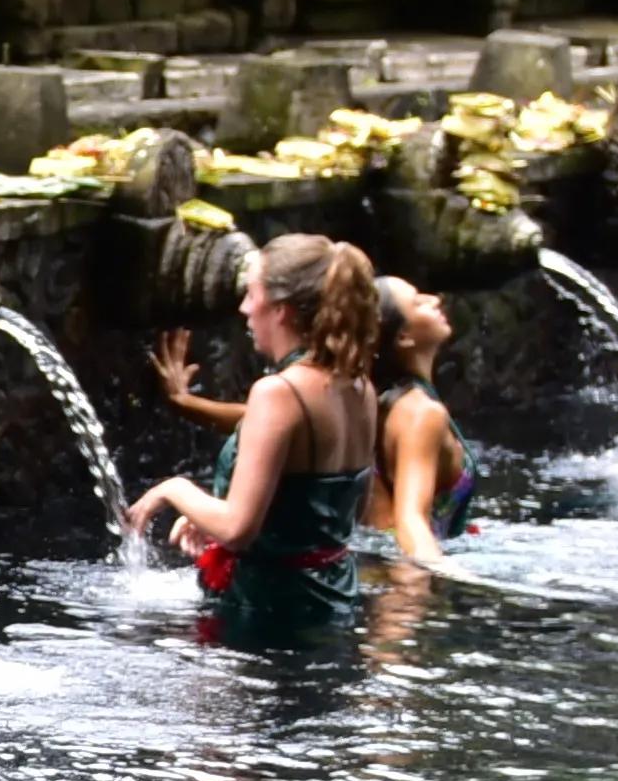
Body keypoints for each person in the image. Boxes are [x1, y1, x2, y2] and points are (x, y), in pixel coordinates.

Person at [127, 231, 389, 636]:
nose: (244, 307)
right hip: (334, 601)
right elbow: (345, 511)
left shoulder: (278, 393)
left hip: (268, 613)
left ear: (281, 310)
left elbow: (237, 529)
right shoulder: (360, 388)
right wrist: (212, 517)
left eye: (251, 293)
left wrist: (174, 490)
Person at [161, 272, 470, 559]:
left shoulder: (362, 395)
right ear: (403, 337)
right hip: (394, 567)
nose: (435, 299)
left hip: (354, 555)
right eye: (418, 302)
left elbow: (270, 421)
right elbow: (411, 521)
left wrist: (186, 403)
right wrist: (446, 581)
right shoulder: (421, 414)